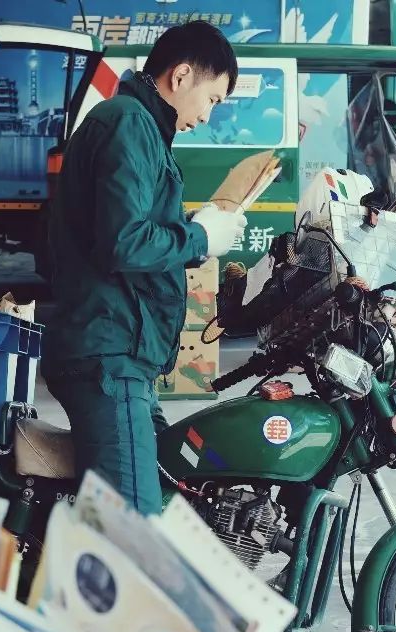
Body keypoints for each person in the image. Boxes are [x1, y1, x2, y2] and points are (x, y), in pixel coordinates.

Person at [43, 21, 247, 515]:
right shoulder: (129, 122)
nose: (209, 115)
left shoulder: (139, 126)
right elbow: (123, 243)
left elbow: (129, 232)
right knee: (135, 537)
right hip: (107, 355)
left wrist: (195, 236)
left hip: (117, 352)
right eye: (213, 99)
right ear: (181, 77)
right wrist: (199, 238)